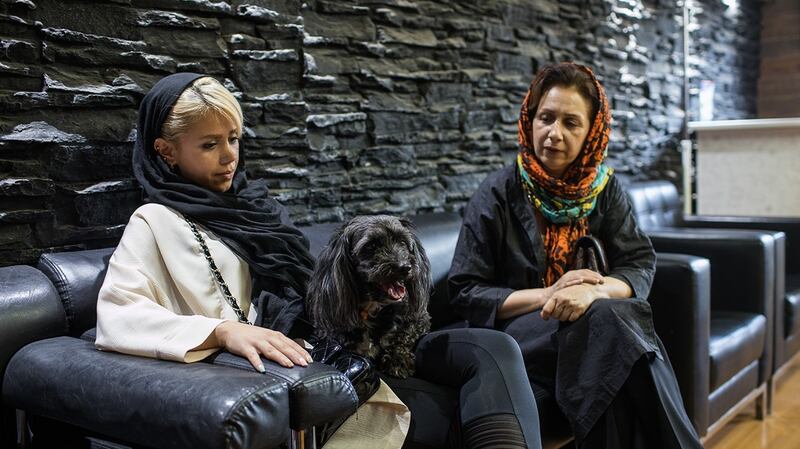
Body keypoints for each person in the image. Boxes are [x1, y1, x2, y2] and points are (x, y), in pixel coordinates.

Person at [96, 72, 543, 449]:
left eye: (233, 139)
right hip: (304, 370)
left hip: (342, 340)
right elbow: (118, 314)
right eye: (210, 144)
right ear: (166, 150)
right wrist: (223, 330)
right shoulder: (155, 222)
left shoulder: (255, 207)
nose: (230, 155)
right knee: (461, 408)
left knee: (494, 349)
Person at [448, 62, 704, 449]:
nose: (554, 133)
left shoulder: (605, 190)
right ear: (530, 120)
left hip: (592, 331)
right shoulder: (497, 192)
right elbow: (466, 291)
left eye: (571, 123)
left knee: (609, 332)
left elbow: (638, 262)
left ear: (591, 132)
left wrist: (592, 292)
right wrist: (551, 294)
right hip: (517, 335)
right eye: (546, 118)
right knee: (614, 324)